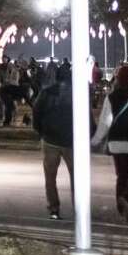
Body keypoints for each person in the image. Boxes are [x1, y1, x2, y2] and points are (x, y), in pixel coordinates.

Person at [90, 64, 128, 221]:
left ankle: (121, 207)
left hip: (116, 142)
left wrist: (95, 141)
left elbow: (105, 123)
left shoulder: (111, 97)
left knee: (121, 175)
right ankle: (127, 199)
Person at [32, 68, 76, 220]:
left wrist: (40, 131)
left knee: (50, 177)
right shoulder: (77, 92)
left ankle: (54, 208)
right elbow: (87, 116)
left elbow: (36, 112)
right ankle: (78, 207)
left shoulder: (46, 92)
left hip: (50, 139)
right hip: (71, 140)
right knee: (76, 176)